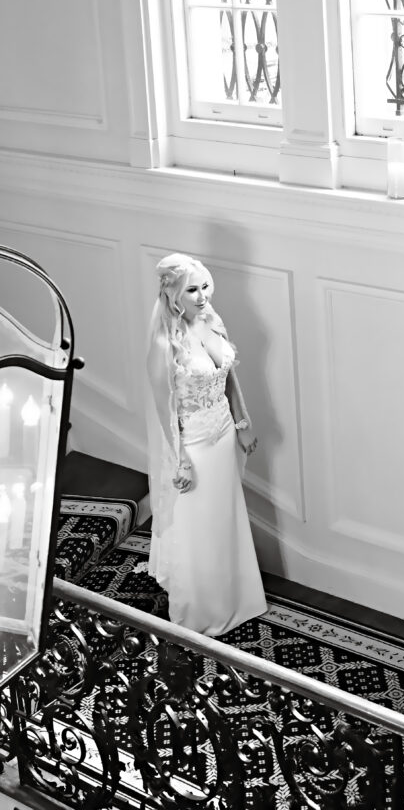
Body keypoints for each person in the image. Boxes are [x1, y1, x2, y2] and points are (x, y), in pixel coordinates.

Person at [145, 253, 267, 636]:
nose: (202, 296)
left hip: (224, 436)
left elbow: (228, 376)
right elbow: (163, 409)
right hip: (194, 446)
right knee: (199, 527)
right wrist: (179, 460)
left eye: (204, 287)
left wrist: (243, 423)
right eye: (192, 290)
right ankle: (198, 612)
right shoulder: (165, 344)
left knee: (225, 518)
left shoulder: (211, 322)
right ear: (173, 295)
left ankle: (239, 597)